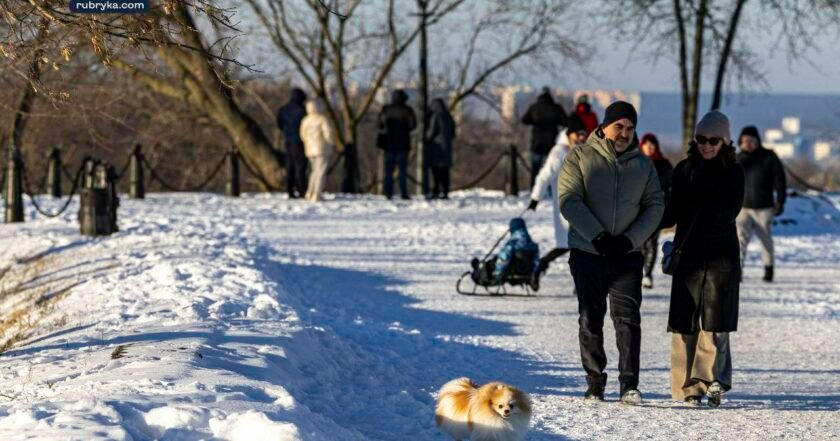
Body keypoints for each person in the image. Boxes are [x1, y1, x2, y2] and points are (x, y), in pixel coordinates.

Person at [556, 101, 664, 404]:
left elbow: (655, 206)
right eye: (619, 126)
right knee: (590, 317)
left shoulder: (643, 165)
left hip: (626, 255)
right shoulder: (579, 157)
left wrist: (631, 240)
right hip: (588, 251)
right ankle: (594, 381)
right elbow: (569, 200)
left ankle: (629, 383)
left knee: (627, 319)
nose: (625, 133)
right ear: (604, 126)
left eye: (630, 128)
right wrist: (599, 236)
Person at [659, 110, 745, 407]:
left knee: (713, 320)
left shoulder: (734, 171)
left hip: (720, 256)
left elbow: (726, 211)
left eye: (713, 140)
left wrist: (693, 201)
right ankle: (685, 388)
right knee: (683, 323)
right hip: (688, 254)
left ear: (724, 141)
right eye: (701, 139)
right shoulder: (684, 169)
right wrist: (646, 220)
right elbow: (670, 212)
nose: (706, 145)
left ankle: (705, 381)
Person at [527, 115, 587, 276]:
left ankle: (541, 265)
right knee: (580, 244)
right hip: (566, 206)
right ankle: (583, 282)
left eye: (584, 134)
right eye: (578, 134)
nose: (582, 137)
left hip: (582, 205)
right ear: (569, 134)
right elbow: (544, 176)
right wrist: (535, 198)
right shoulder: (559, 152)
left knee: (573, 244)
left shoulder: (581, 151)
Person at [735, 126, 787, 282]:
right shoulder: (736, 159)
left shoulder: (769, 157)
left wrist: (780, 201)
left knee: (765, 240)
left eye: (751, 140)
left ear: (758, 141)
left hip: (764, 207)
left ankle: (768, 269)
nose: (748, 144)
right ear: (740, 142)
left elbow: (780, 181)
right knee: (740, 241)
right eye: (745, 141)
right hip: (742, 207)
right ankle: (737, 272)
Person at [639, 133, 674, 289]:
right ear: (642, 145)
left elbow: (672, 186)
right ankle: (636, 272)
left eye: (652, 144)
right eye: (647, 144)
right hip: (636, 210)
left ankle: (647, 274)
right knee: (638, 242)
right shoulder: (635, 162)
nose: (650, 147)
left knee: (651, 243)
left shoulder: (664, 165)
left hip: (656, 210)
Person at [471, 218, 540, 290]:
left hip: (509, 271)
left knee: (490, 264)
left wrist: (498, 272)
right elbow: (536, 263)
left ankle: (478, 268)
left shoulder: (512, 244)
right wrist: (532, 273)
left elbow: (503, 259)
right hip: (526, 273)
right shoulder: (533, 246)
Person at [521, 87, 568, 187]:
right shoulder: (556, 108)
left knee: (536, 169)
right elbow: (565, 122)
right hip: (552, 142)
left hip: (537, 143)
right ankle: (551, 191)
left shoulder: (534, 107)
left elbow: (524, 120)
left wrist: (535, 121)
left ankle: (534, 189)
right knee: (552, 169)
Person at [379, 89, 417, 200]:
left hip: (388, 145)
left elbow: (380, 125)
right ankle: (403, 193)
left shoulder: (386, 110)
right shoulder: (407, 110)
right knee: (402, 171)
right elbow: (413, 125)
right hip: (403, 144)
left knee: (388, 171)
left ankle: (388, 192)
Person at [300, 100, 334, 202]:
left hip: (309, 149)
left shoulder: (305, 120)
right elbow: (328, 134)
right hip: (321, 148)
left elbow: (302, 135)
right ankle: (317, 194)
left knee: (314, 171)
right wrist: (330, 143)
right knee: (320, 172)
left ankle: (309, 192)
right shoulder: (322, 119)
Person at [277, 87, 308, 199]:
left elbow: (279, 124)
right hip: (299, 141)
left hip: (287, 140)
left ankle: (289, 189)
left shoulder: (283, 109)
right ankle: (302, 190)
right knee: (300, 167)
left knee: (290, 166)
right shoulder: (303, 110)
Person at [426, 98, 457, 199]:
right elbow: (453, 132)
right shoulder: (448, 116)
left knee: (436, 171)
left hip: (436, 148)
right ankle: (445, 191)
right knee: (445, 171)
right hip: (447, 148)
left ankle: (436, 190)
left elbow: (431, 132)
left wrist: (426, 139)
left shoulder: (435, 116)